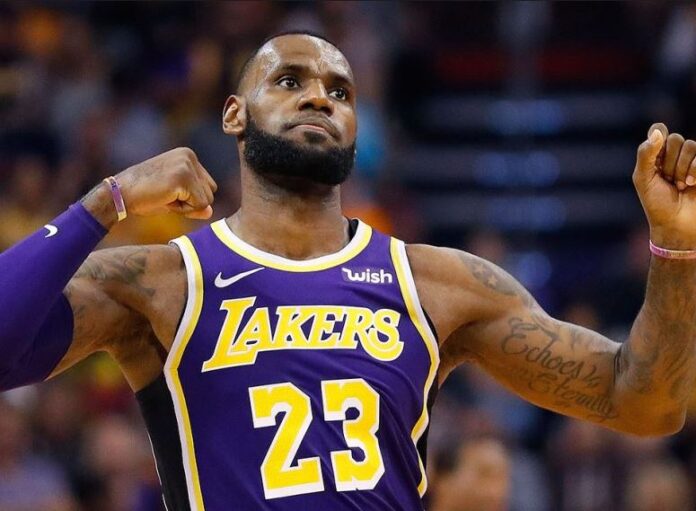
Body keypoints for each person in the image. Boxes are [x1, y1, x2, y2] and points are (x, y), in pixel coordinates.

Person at [2, 31, 696, 511]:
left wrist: (676, 249)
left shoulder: (439, 284)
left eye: (340, 90)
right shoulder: (161, 280)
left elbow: (644, 403)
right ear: (234, 115)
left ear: (358, 129)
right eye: (289, 81)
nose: (319, 98)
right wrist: (107, 201)